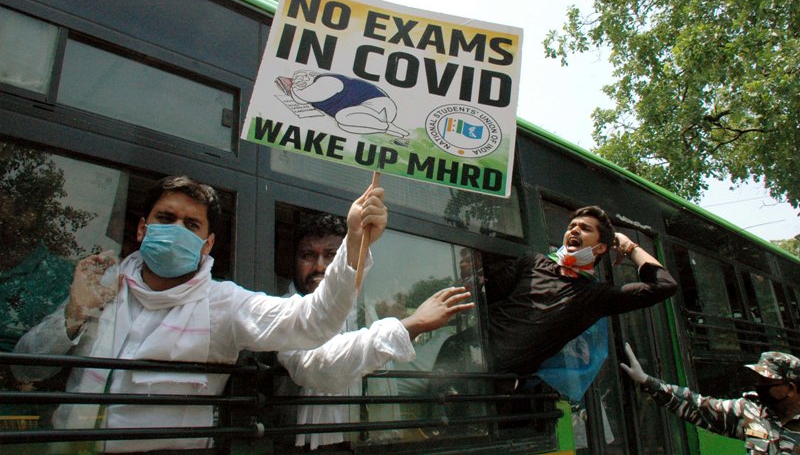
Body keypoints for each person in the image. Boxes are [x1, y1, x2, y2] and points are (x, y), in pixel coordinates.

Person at [13, 174, 388, 452]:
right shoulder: (98, 287)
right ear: (143, 229)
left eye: (191, 225)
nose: (176, 230)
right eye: (166, 219)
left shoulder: (223, 303)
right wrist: (73, 315)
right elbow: (25, 368)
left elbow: (315, 321)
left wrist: (355, 242)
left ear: (207, 243)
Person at [276, 212, 474, 450]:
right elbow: (317, 366)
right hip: (315, 444)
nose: (319, 267)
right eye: (308, 255)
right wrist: (411, 324)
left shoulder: (363, 307)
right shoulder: (284, 311)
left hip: (374, 441)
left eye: (331, 255)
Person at [487, 205, 677, 378]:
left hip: (491, 380)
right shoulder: (533, 262)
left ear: (601, 247)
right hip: (468, 348)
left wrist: (628, 246)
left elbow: (664, 285)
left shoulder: (595, 296)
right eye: (571, 227)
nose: (575, 230)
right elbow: (486, 293)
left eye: (585, 228)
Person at [621, 344, 800, 454]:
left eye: (765, 381)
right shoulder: (752, 412)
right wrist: (647, 381)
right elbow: (699, 406)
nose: (758, 385)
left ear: (790, 389)